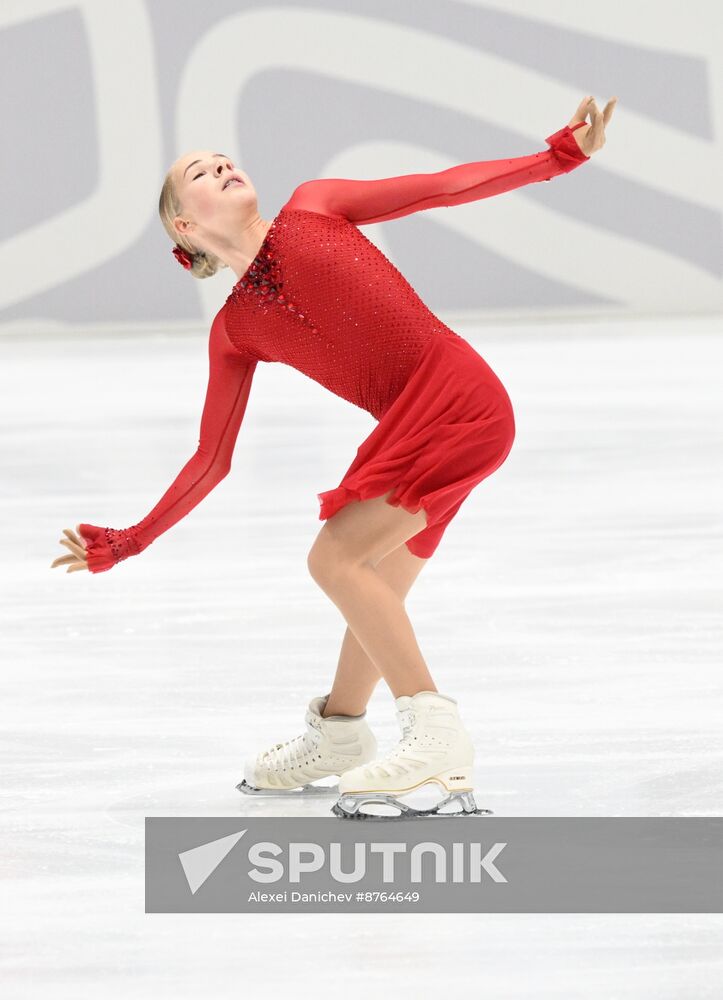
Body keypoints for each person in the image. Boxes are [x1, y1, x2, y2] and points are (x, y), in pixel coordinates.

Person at [51, 94, 617, 819]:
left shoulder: (313, 207)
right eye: (199, 169)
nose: (222, 163)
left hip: (456, 398)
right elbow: (210, 457)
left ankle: (435, 742)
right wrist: (133, 539)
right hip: (412, 425)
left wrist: (556, 157)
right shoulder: (235, 330)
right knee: (371, 576)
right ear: (184, 226)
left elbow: (441, 187)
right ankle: (342, 734)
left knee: (335, 561)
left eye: (224, 156)